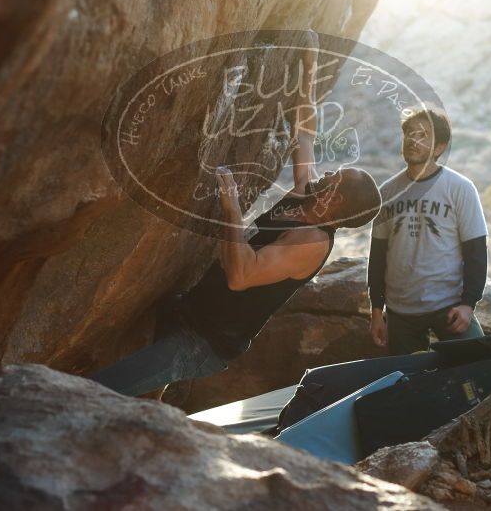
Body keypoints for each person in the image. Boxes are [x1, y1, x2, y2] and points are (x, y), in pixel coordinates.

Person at [92, 32, 382, 397]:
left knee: (103, 387)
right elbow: (305, 135)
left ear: (336, 202)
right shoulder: (306, 197)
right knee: (142, 392)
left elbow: (241, 276)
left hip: (203, 342)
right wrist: (309, 67)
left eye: (335, 179)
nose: (327, 173)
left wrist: (230, 206)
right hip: (190, 310)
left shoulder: (310, 242)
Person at [367, 107, 488, 355]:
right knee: (409, 382)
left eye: (423, 135)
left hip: (450, 306)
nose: (413, 140)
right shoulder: (387, 193)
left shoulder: (460, 188)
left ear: (439, 148)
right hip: (401, 311)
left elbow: (476, 251)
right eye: (410, 133)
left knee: (478, 365)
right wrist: (377, 311)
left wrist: (469, 304)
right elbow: (377, 256)